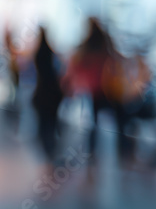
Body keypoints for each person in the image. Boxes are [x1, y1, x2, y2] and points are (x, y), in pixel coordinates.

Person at [66, 17, 115, 159]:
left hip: (93, 86)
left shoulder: (89, 44)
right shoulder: (105, 42)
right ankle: (111, 149)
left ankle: (92, 149)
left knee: (91, 119)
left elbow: (78, 62)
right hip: (105, 86)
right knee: (101, 117)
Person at [31, 27, 63, 165]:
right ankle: (51, 149)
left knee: (45, 124)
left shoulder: (41, 52)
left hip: (45, 94)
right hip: (52, 94)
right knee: (50, 123)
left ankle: (50, 149)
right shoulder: (50, 52)